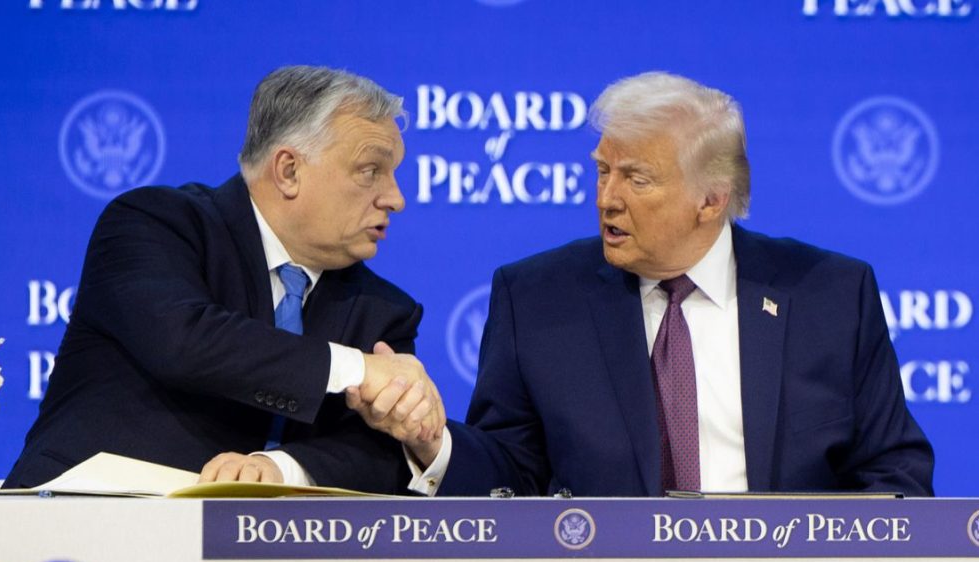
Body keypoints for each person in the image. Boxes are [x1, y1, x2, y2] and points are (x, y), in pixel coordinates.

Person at [385, 72, 934, 497]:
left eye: (637, 179)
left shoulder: (830, 295)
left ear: (711, 200)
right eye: (603, 171)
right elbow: (509, 476)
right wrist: (433, 443)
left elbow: (894, 471)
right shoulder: (535, 298)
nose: (607, 199)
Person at [4, 66, 444, 493]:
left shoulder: (384, 310)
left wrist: (280, 468)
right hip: (79, 516)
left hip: (250, 538)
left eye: (394, 173)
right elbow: (184, 340)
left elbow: (379, 451)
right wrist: (357, 368)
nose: (396, 199)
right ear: (289, 171)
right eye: (370, 171)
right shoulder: (154, 223)